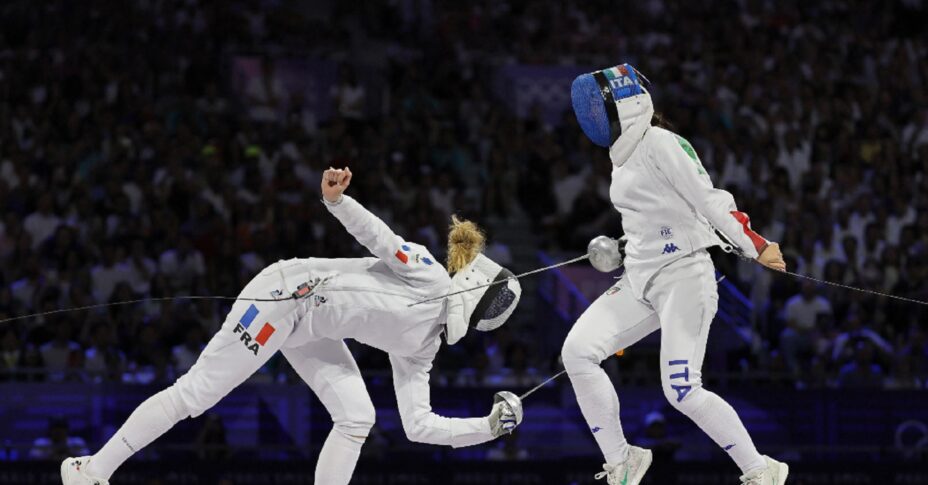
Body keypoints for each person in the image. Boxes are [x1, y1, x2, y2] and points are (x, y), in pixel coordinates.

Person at [62, 167, 525, 485]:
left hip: (310, 330)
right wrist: (337, 200)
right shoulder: (427, 272)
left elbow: (419, 426)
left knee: (357, 418)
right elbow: (381, 238)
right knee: (195, 394)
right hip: (284, 297)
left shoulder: (423, 350)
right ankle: (91, 471)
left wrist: (488, 427)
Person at [563, 64, 789, 485]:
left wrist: (754, 244)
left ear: (625, 105)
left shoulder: (661, 142)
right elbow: (659, 213)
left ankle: (761, 470)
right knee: (577, 352)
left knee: (682, 389)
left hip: (685, 277)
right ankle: (623, 460)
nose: (591, 117)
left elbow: (708, 198)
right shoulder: (624, 156)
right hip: (641, 280)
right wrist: (627, 246)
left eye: (599, 107)